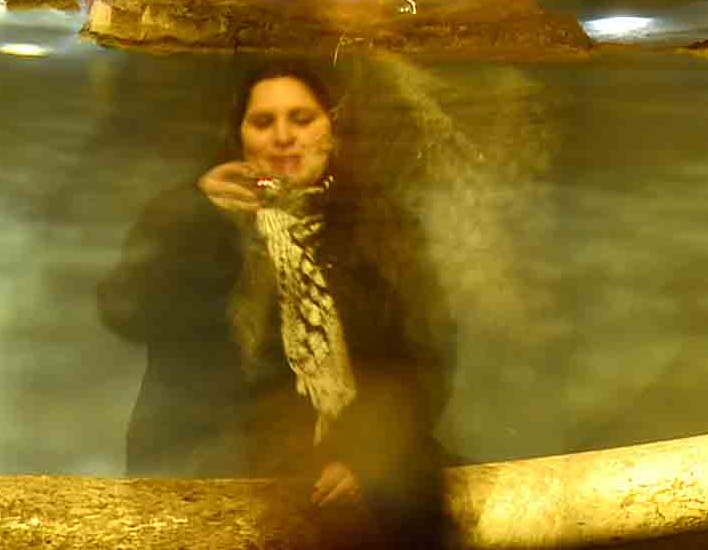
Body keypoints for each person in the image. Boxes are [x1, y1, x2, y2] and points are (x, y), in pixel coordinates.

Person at [97, 64, 448, 544]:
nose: (283, 137)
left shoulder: (377, 222)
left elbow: (424, 353)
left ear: (331, 131)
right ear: (240, 137)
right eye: (263, 123)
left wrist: (366, 456)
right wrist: (196, 213)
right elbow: (125, 311)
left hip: (352, 455)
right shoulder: (195, 215)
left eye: (302, 119)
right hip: (219, 456)